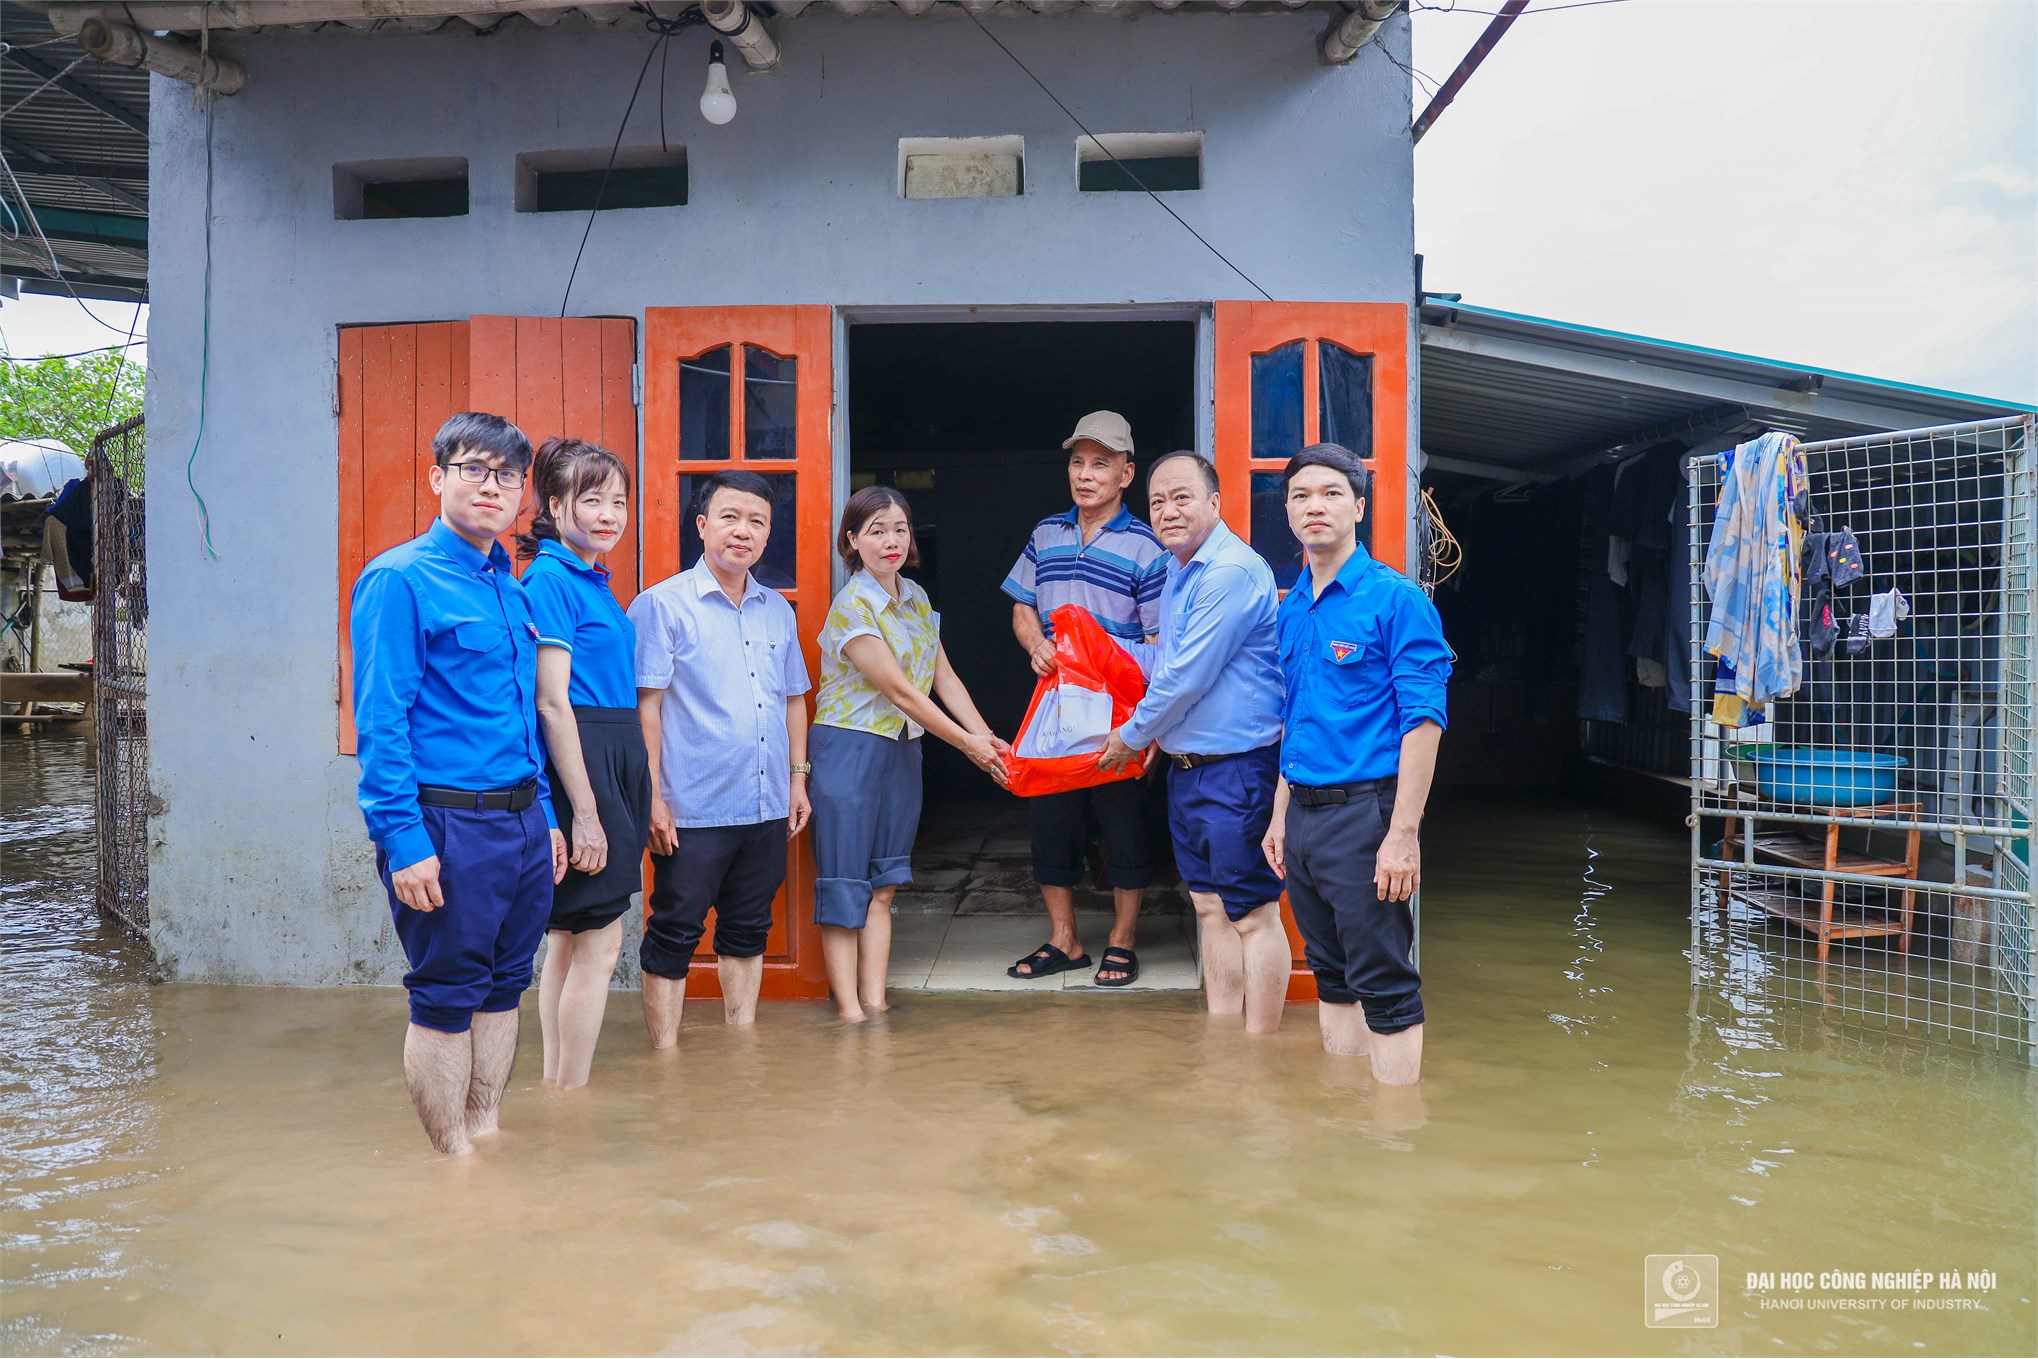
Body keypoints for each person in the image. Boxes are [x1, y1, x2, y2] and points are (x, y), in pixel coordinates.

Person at [350, 411, 568, 1155]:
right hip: (447, 824)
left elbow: (520, 719)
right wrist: (404, 841)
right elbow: (381, 722)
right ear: (438, 477)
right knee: (446, 994)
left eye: (508, 475)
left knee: (506, 984)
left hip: (521, 821)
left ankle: (486, 1134)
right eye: (473, 468)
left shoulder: (511, 588)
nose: (492, 486)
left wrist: (546, 815)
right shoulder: (400, 578)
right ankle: (451, 1164)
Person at [1261, 443, 1449, 1085]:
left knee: (1384, 981)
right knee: (1330, 973)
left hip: (1367, 815)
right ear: (1287, 512)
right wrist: (1280, 817)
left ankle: (1395, 1145)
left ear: (1359, 507)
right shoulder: (1293, 606)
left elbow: (1423, 721)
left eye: (1332, 493)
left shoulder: (1394, 599)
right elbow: (1297, 716)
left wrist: (1402, 835)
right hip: (1305, 817)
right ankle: (1342, 1122)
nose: (1315, 506)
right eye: (1301, 496)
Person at [1097, 451, 1288, 1032]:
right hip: (1188, 768)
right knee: (1207, 906)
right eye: (1157, 501)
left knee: (1252, 914)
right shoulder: (1181, 570)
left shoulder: (1228, 571)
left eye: (1182, 497)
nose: (1168, 511)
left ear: (1214, 502)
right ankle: (1225, 1040)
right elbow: (1163, 663)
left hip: (1237, 769)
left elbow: (1185, 678)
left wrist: (1130, 736)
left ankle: (1261, 1054)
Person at [810, 487, 1010, 1021]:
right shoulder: (850, 605)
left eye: (899, 528)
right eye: (876, 531)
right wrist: (966, 746)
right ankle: (849, 1013)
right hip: (848, 749)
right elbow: (900, 691)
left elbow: (943, 677)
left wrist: (986, 736)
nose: (891, 540)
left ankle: (875, 1006)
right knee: (845, 885)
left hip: (903, 751)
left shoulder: (917, 599)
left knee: (884, 884)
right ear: (852, 541)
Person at [627, 469, 811, 1044]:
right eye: (730, 517)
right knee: (675, 928)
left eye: (757, 521)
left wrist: (797, 781)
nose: (743, 531)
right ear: (702, 525)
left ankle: (741, 1045)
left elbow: (793, 700)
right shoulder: (661, 606)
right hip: (692, 807)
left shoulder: (776, 610)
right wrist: (652, 797)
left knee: (749, 927)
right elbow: (645, 709)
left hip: (764, 803)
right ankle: (664, 1056)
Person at [1001, 410, 1169, 987]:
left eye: (1101, 464)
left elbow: (1155, 642)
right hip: (1055, 705)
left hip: (1118, 709)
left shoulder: (1148, 546)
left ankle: (1122, 939)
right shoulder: (1046, 532)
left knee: (1123, 825)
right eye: (1078, 462)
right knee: (1050, 820)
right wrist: (1034, 646)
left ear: (1127, 473)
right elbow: (1022, 604)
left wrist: (1146, 728)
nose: (1086, 474)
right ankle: (1064, 939)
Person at [517, 437, 649, 1091]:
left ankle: (554, 1090)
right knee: (598, 943)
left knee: (569, 940)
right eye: (591, 498)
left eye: (619, 500)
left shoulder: (588, 575)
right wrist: (586, 813)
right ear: (553, 503)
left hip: (610, 753)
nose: (609, 513)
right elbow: (551, 701)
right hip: (584, 762)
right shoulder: (549, 578)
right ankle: (571, 1097)